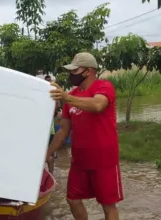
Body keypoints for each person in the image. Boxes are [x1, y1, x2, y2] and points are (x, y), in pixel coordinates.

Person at [47, 52, 123, 220]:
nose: (71, 74)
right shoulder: (72, 96)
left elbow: (97, 105)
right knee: (73, 200)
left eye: (75, 70)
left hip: (104, 159)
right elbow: (62, 131)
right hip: (80, 160)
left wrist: (67, 97)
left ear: (88, 71)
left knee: (107, 204)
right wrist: (47, 153)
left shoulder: (104, 86)